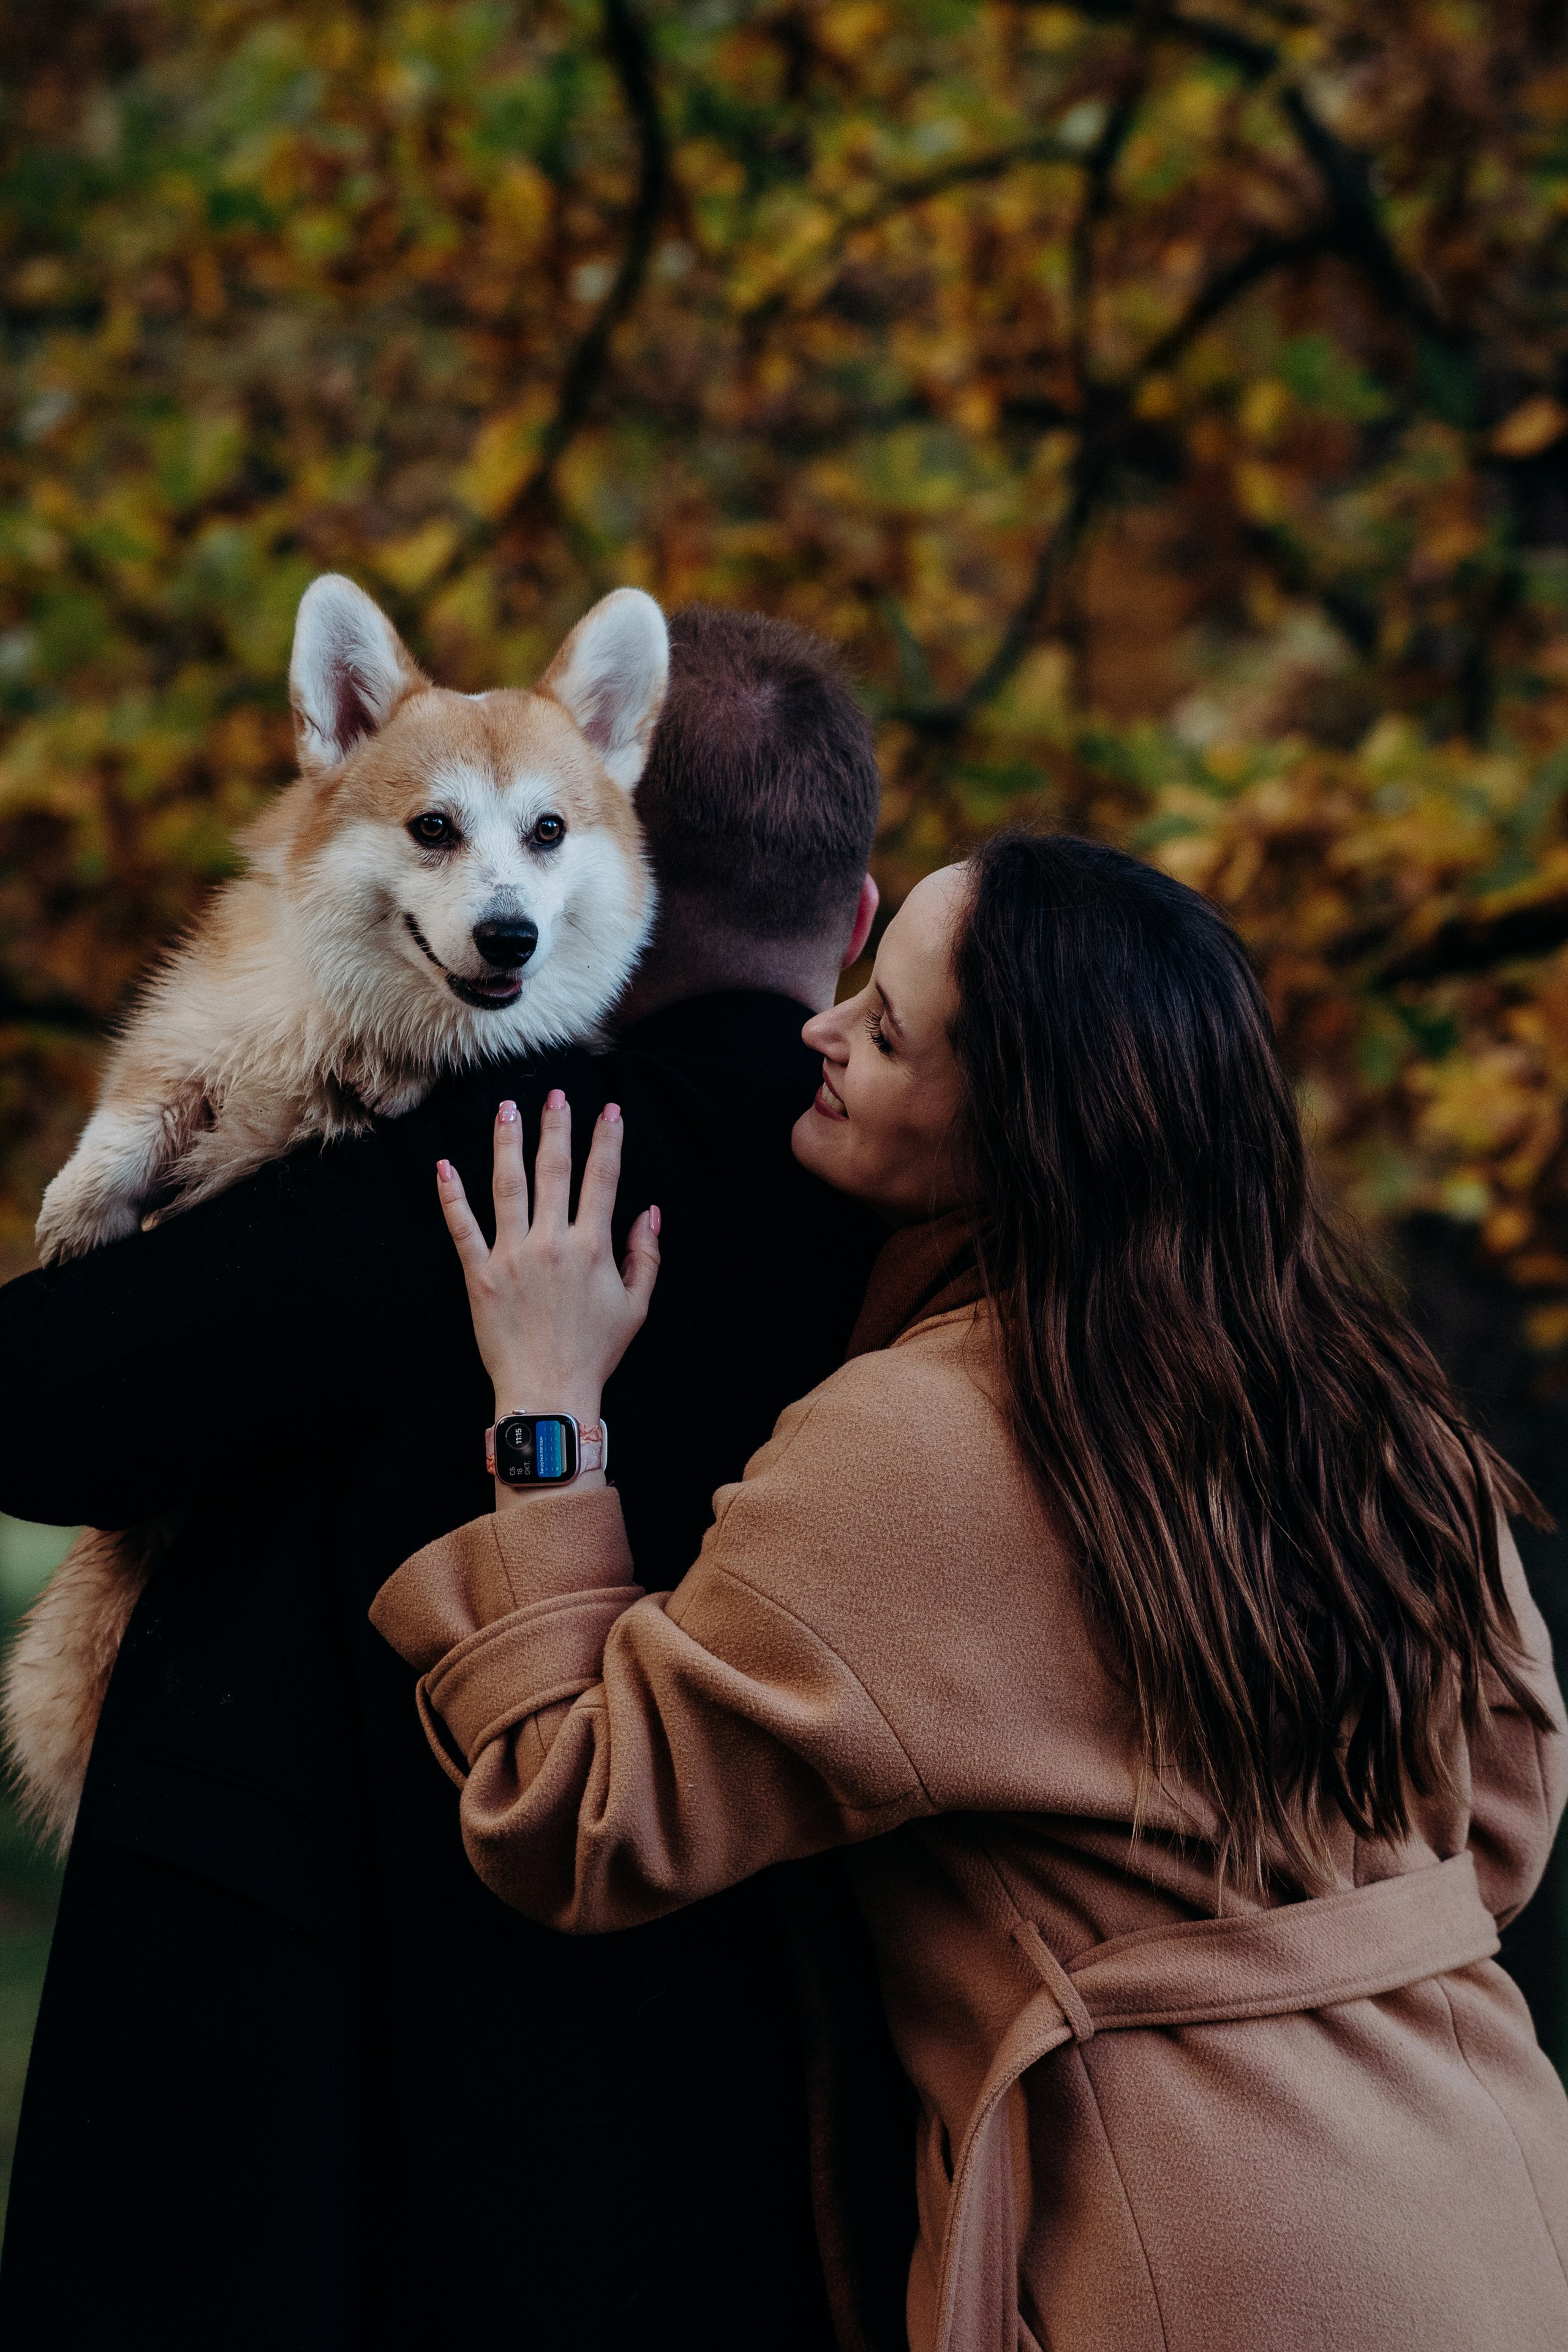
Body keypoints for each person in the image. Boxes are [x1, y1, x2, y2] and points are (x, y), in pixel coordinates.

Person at [375, 832, 1568, 2352]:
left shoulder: (918, 1442)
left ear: (1022, 1134)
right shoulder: (1376, 1408)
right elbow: (1506, 1823)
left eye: (883, 1032)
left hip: (1175, 2254)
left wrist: (547, 1425)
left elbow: (580, 1815)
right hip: (1486, 2186)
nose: (819, 1029)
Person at [0, 607, 900, 2351]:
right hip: (766, 2142)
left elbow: (38, 1406)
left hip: (311, 2123)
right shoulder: (953, 1240)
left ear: (620, 859)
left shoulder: (476, 1176)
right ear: (854, 917)